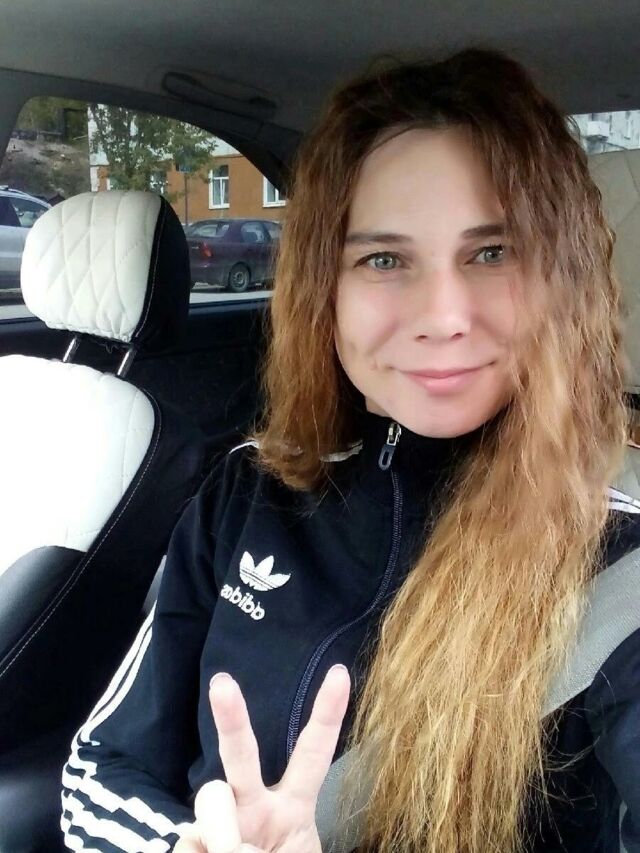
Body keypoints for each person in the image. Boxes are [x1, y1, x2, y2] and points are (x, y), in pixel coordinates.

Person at [61, 48, 640, 853]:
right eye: (384, 259)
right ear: (322, 290)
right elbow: (100, 768)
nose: (444, 316)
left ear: (560, 279)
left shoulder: (618, 564)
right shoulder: (248, 489)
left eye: (492, 252)